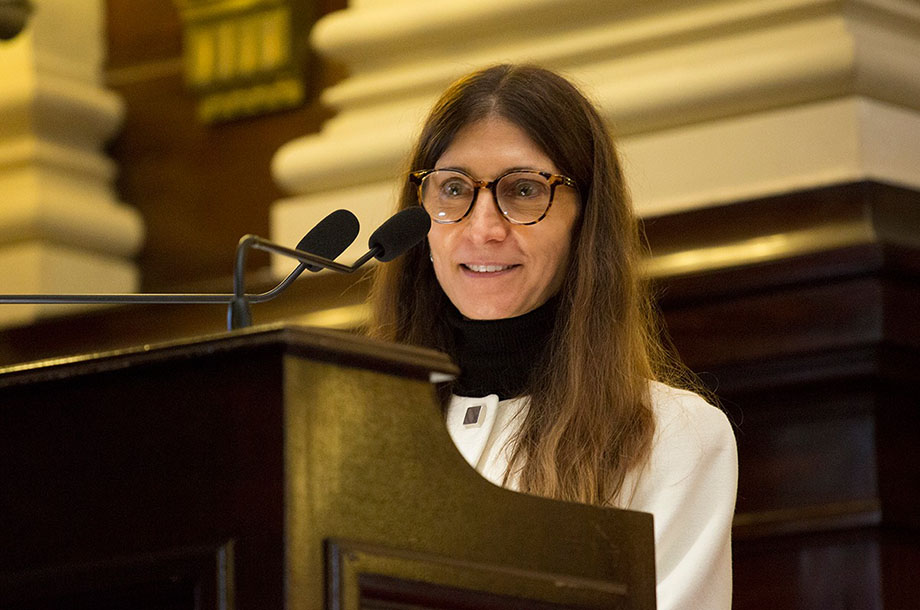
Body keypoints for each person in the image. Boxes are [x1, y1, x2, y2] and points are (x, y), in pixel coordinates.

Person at [368, 64, 738, 610]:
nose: (483, 228)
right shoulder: (359, 428)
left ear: (586, 220)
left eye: (523, 190)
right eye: (453, 189)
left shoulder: (673, 438)